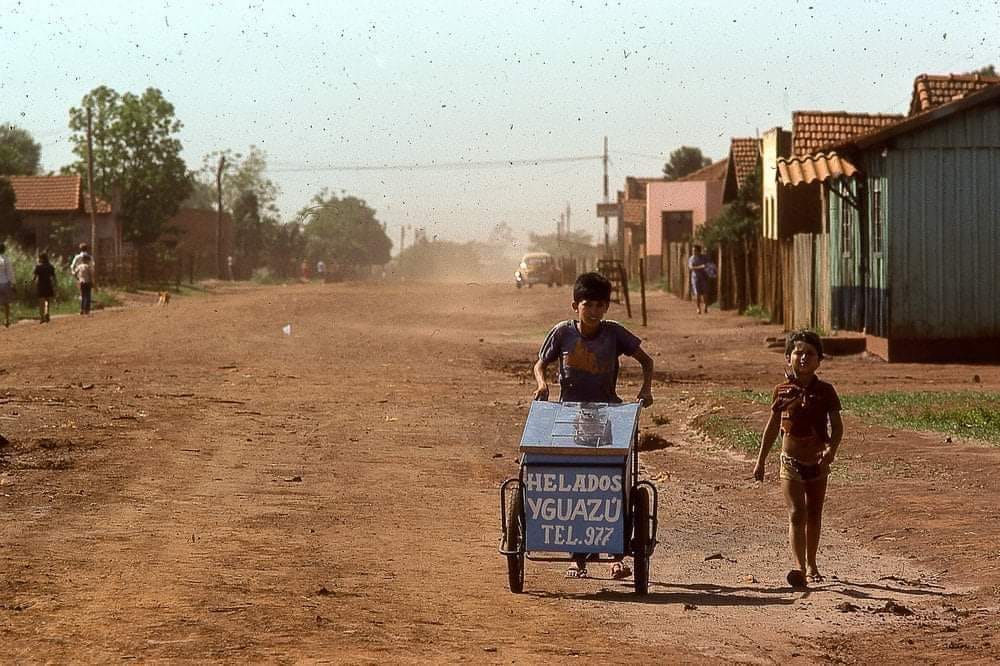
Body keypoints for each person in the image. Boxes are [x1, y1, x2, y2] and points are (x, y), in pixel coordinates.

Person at [533, 271, 655, 579]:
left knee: (611, 484)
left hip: (607, 415)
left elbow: (647, 361)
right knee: (576, 487)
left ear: (607, 308)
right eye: (588, 304)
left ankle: (617, 557)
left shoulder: (614, 333)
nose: (595, 311)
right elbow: (540, 364)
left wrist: (645, 389)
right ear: (575, 305)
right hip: (569, 416)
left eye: (601, 305)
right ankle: (578, 558)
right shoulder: (562, 333)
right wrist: (543, 384)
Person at [753, 329, 843, 588]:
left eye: (809, 354)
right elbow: (771, 429)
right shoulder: (781, 391)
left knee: (815, 513)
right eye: (798, 353)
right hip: (789, 462)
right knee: (796, 513)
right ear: (788, 357)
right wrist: (760, 460)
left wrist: (831, 450)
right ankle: (800, 567)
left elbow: (837, 427)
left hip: (818, 463)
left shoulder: (826, 391)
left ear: (819, 360)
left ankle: (812, 562)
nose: (803, 358)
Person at [31, 252, 56, 324]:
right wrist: (55, 285)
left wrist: (31, 284)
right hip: (48, 284)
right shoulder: (50, 266)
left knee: (41, 302)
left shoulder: (38, 267)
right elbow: (54, 277)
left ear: (41, 258)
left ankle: (42, 317)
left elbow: (34, 277)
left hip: (41, 285)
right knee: (47, 301)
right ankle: (47, 312)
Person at [688, 244, 711, 314]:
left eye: (695, 250)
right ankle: (698, 308)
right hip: (695, 278)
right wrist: (701, 266)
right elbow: (691, 268)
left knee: (705, 293)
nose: (693, 252)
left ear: (699, 251)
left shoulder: (704, 257)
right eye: (693, 250)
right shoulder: (691, 258)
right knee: (697, 294)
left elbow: (708, 265)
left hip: (704, 277)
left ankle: (705, 306)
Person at [0, 242, 15, 327]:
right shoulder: (6, 259)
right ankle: (7, 319)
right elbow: (10, 272)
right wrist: (13, 283)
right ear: (4, 250)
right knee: (6, 303)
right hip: (5, 283)